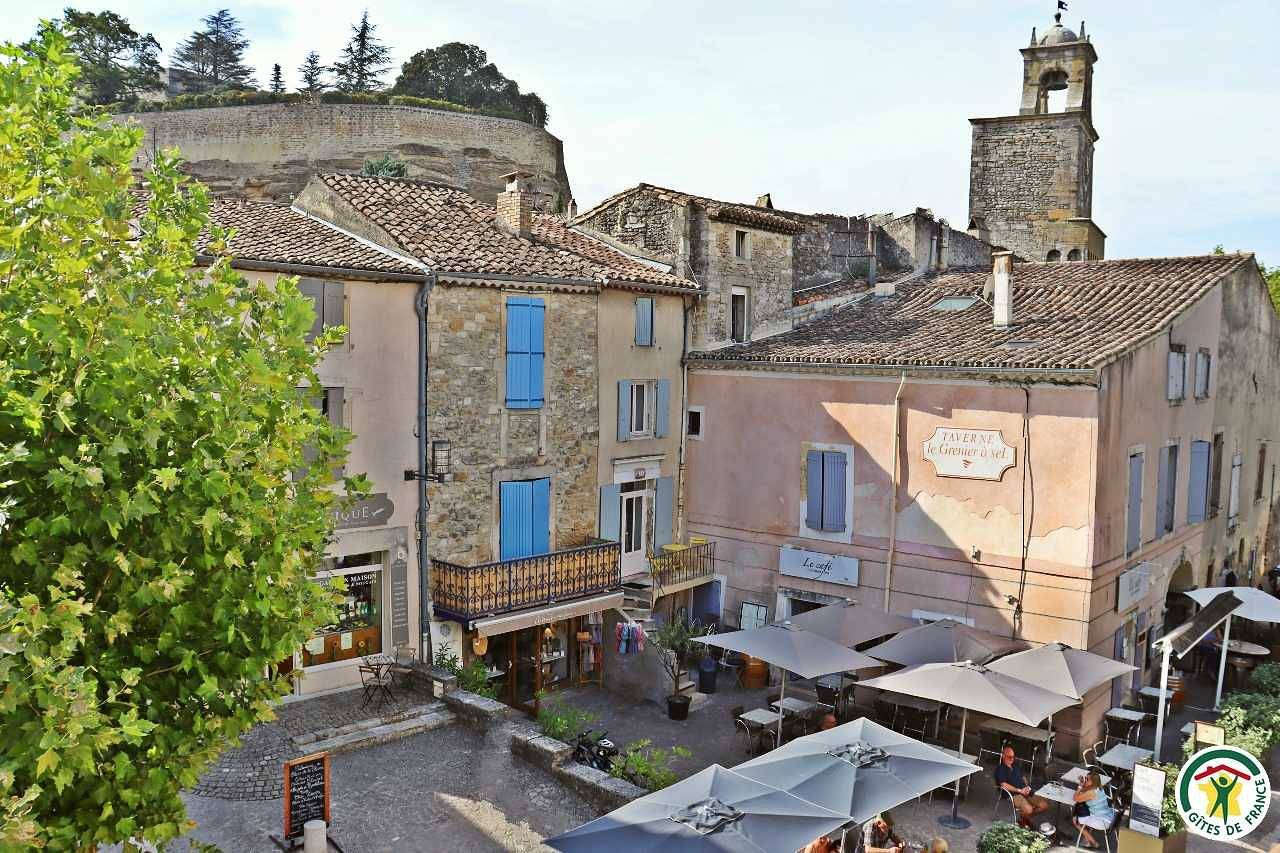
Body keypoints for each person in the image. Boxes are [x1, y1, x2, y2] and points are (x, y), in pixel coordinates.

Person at [995, 746, 1050, 828]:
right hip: (1013, 794)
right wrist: (1019, 790)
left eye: (1013, 757)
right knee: (1029, 809)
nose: (1012, 759)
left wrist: (1027, 787)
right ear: (1003, 756)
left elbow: (1023, 776)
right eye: (1009, 757)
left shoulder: (1015, 765)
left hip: (1024, 790)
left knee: (1044, 805)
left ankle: (1024, 818)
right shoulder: (1000, 769)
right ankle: (1025, 819)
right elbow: (1004, 785)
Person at [1072, 769, 1117, 849]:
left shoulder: (1091, 792)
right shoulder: (1099, 788)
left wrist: (1079, 786)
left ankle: (1094, 843)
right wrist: (1083, 784)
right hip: (1110, 816)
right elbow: (1085, 790)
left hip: (1103, 821)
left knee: (1075, 820)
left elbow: (1075, 798)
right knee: (1085, 813)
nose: (1086, 780)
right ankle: (1086, 838)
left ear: (1092, 782)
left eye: (1087, 779)